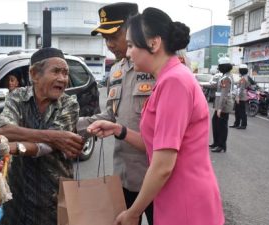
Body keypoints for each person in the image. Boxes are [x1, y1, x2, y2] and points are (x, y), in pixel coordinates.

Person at [87, 7, 224, 225]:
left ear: (153, 43)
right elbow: (156, 143)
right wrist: (118, 130)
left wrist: (133, 213)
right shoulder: (167, 79)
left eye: (132, 45)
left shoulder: (174, 82)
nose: (128, 53)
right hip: (170, 194)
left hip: (184, 199)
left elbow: (162, 165)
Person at [77, 3, 155, 224]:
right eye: (105, 38)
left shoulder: (159, 65)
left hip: (157, 176)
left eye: (114, 36)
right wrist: (74, 126)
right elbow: (112, 116)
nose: (109, 44)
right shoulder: (116, 70)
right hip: (124, 175)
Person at [0, 47, 84, 225]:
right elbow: (4, 128)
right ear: (35, 74)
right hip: (17, 194)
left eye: (65, 73)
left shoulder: (69, 104)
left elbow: (46, 148)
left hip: (52, 196)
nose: (63, 79)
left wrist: (14, 146)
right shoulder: (17, 97)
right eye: (56, 71)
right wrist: (54, 136)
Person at [210, 57, 235, 153]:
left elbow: (224, 94)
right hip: (219, 105)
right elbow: (215, 86)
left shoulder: (227, 78)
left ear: (223, 67)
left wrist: (220, 108)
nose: (218, 67)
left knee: (222, 126)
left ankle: (221, 145)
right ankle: (216, 143)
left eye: (219, 66)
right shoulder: (223, 76)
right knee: (215, 124)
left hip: (223, 105)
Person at [230, 64, 251, 129]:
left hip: (241, 97)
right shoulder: (245, 77)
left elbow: (241, 89)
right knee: (237, 111)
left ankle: (243, 125)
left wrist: (238, 97)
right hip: (242, 96)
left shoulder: (243, 78)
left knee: (241, 111)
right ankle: (237, 123)